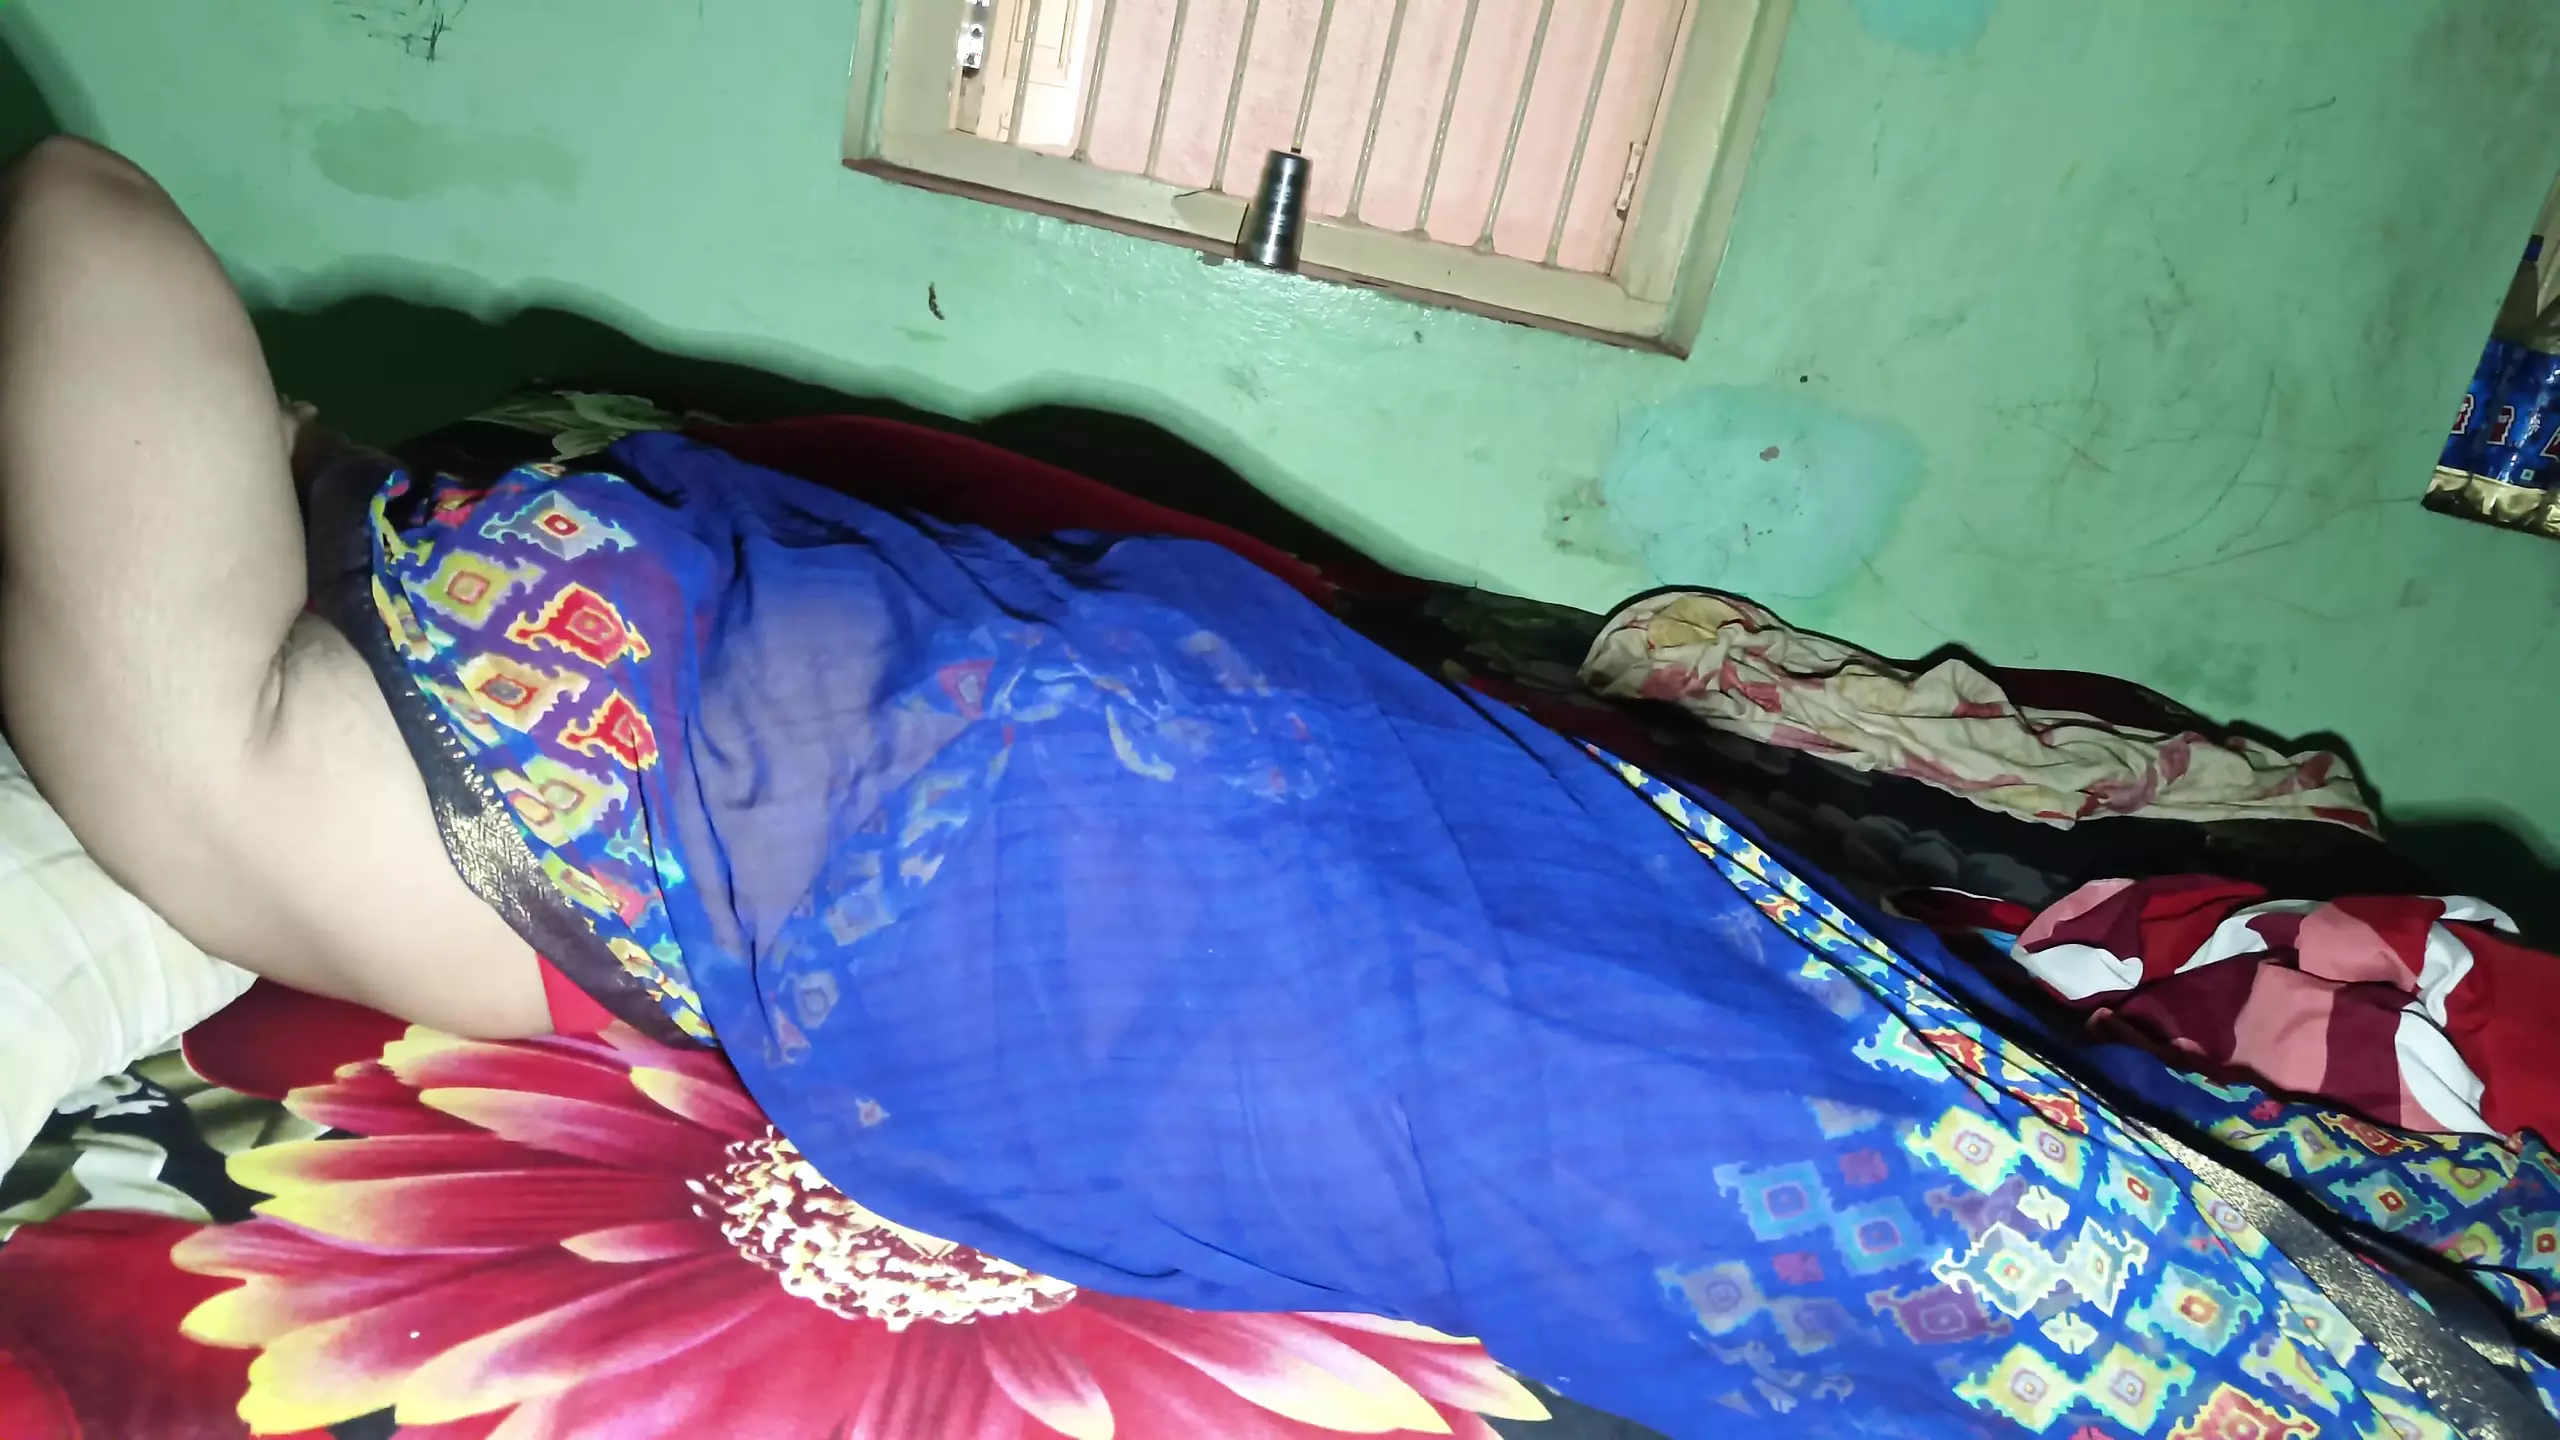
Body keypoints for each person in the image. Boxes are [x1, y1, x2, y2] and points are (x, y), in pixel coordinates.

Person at [4, 136, 2555, 1440]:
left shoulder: (224, 781)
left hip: (1047, 811)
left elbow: (74, 213)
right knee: (1812, 1076)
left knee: (1881, 1191)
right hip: (1124, 736)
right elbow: (85, 217)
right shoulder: (337, 686)